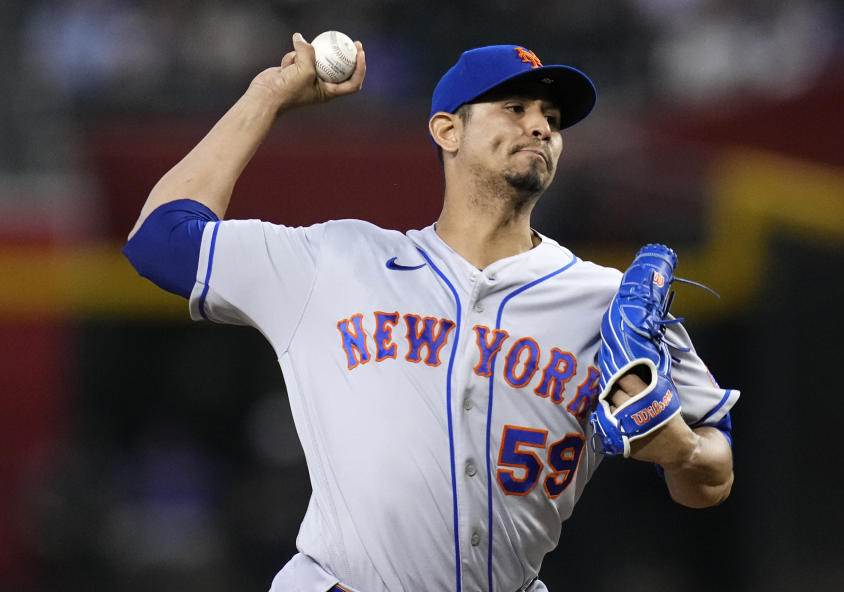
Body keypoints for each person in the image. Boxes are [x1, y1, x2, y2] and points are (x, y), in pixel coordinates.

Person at [123, 33, 739, 592]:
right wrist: (267, 97)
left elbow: (715, 476)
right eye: (514, 108)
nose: (540, 127)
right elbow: (160, 239)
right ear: (447, 130)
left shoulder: (605, 301)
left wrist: (679, 450)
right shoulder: (338, 260)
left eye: (551, 118)